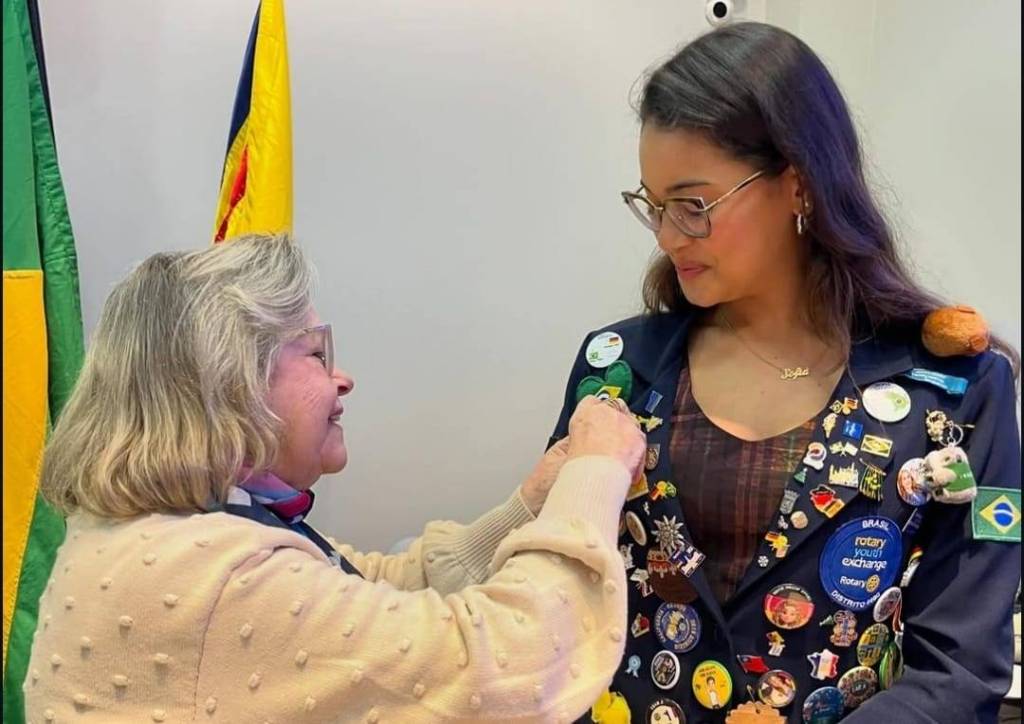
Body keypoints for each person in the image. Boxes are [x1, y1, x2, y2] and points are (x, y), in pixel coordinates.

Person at [549, 21, 1021, 724]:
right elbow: (554, 597)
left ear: (798, 185)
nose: (669, 236)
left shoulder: (953, 392)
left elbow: (959, 668)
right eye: (653, 206)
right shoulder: (616, 373)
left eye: (694, 205)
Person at [24, 234, 646, 722]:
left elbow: (364, 586)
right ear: (234, 379)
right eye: (317, 354)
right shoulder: (219, 578)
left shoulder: (162, 532)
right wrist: (594, 475)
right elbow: (507, 665)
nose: (341, 379)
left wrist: (531, 501)